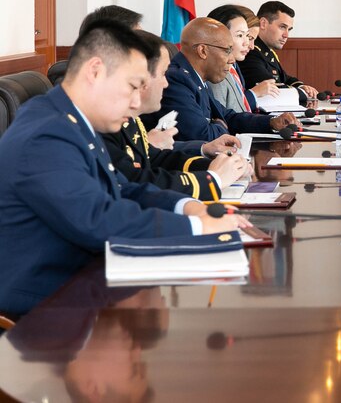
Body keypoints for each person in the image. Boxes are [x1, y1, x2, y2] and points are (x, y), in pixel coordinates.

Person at [0, 20, 248, 318]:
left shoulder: (70, 120)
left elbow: (122, 187)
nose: (135, 102)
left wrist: (188, 208)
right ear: (95, 72)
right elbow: (97, 220)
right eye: (132, 87)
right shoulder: (47, 134)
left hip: (88, 278)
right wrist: (196, 229)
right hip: (48, 304)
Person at [103, 31, 250, 201]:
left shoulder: (128, 119)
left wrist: (220, 166)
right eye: (163, 74)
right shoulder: (106, 122)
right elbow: (135, 181)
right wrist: (211, 180)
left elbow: (156, 158)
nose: (166, 83)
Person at [144, 18, 298, 142]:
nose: (232, 60)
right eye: (227, 51)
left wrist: (271, 122)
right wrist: (218, 124)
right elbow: (202, 135)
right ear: (203, 51)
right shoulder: (176, 80)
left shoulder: (196, 77)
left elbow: (228, 117)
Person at [238, 0, 318, 103]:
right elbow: (272, 90)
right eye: (282, 27)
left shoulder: (267, 51)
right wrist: (303, 93)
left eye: (289, 29)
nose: (286, 35)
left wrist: (301, 86)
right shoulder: (250, 52)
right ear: (263, 23)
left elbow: (284, 78)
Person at [207, 4, 260, 114]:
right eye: (240, 36)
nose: (248, 43)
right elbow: (222, 120)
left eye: (247, 36)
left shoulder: (232, 69)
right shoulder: (216, 76)